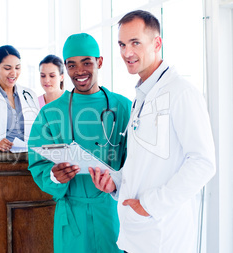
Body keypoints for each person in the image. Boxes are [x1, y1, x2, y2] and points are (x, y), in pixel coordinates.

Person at [89, 10, 216, 253]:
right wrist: (115, 183)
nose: (127, 52)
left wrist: (150, 205)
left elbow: (203, 163)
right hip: (136, 236)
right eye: (122, 44)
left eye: (135, 42)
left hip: (163, 237)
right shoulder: (143, 96)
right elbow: (144, 163)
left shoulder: (181, 92)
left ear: (157, 43)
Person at [28, 33, 131, 252]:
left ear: (99, 62)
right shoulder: (50, 113)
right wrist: (55, 176)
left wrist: (118, 180)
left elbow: (139, 162)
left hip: (112, 214)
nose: (80, 71)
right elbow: (38, 164)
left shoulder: (123, 107)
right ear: (66, 68)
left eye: (87, 62)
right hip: (72, 217)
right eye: (72, 65)